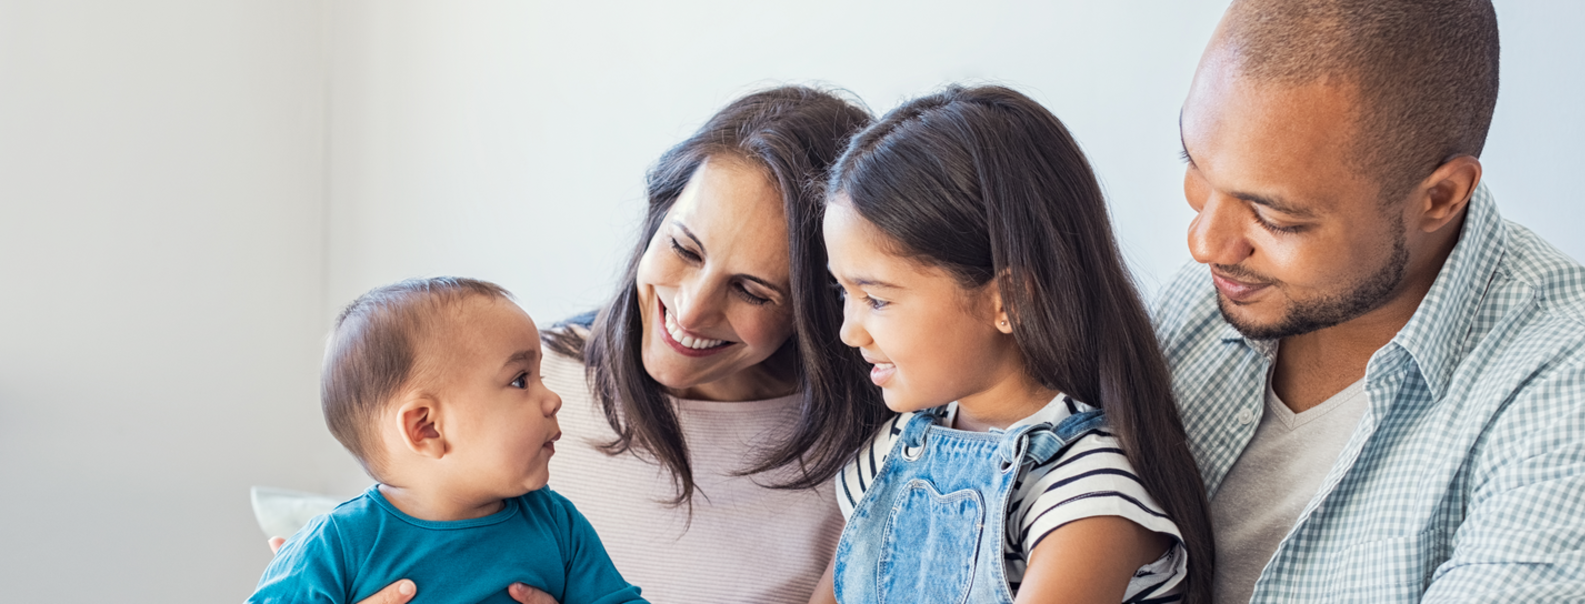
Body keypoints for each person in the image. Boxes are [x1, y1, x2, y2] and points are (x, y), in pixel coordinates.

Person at [1160, 0, 1585, 601]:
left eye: (1275, 217)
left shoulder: (1572, 386)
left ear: (1441, 197)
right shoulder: (1206, 301)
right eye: (1198, 169)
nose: (1204, 243)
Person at [811, 86, 1215, 604]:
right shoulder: (898, 448)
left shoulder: (1085, 491)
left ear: (1009, 302)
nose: (849, 331)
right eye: (842, 291)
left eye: (877, 300)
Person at [537, 86, 890, 604]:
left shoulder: (877, 454)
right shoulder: (525, 381)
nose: (691, 309)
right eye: (684, 247)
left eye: (752, 290)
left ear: (815, 307)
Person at [251, 277, 645, 604]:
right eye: (520, 380)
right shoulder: (336, 546)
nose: (552, 398)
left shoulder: (558, 526)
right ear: (427, 428)